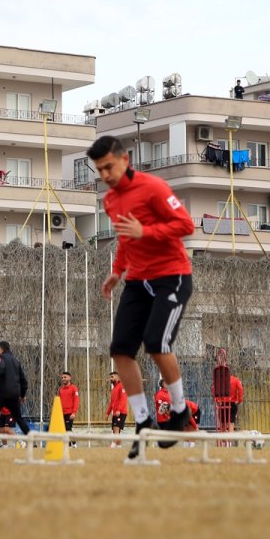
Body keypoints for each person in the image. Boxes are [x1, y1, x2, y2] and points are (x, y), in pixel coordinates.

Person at [88, 135, 196, 460]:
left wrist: (146, 231)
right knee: (120, 349)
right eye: (99, 170)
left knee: (156, 342)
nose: (105, 175)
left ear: (125, 159)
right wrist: (117, 271)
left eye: (109, 167)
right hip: (137, 280)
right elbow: (126, 239)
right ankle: (143, 420)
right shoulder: (110, 200)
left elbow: (186, 224)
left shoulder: (153, 188)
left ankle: (180, 410)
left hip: (172, 276)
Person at [0, 341, 31, 447]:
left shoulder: (1, 357)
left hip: (3, 392)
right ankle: (32, 441)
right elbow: (24, 381)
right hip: (14, 394)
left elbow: (0, 369)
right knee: (18, 418)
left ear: (0, 349)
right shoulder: (16, 361)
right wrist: (22, 395)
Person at [106, 371, 128, 448]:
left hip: (121, 412)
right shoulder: (113, 389)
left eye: (112, 377)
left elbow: (123, 399)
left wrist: (119, 410)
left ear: (118, 377)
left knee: (116, 429)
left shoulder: (122, 386)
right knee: (116, 431)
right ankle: (119, 447)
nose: (110, 378)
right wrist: (107, 413)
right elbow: (111, 402)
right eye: (110, 377)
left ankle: (112, 446)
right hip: (115, 413)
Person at [58, 371, 80, 447]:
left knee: (68, 428)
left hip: (70, 413)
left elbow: (76, 401)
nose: (63, 379)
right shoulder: (60, 389)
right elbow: (59, 401)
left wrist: (74, 412)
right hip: (62, 413)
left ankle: (74, 443)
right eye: (62, 377)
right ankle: (69, 445)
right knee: (64, 429)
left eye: (65, 377)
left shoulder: (74, 388)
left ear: (69, 378)